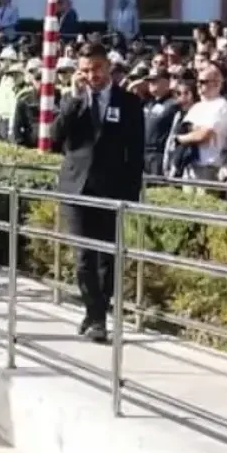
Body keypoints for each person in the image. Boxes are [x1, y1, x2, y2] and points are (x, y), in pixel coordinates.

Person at [51, 43, 145, 344]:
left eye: (98, 69)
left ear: (108, 67)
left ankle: (96, 313)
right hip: (77, 188)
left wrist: (130, 195)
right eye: (87, 70)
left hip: (112, 190)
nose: (93, 75)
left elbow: (137, 153)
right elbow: (55, 138)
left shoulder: (129, 102)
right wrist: (75, 99)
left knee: (108, 259)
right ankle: (96, 316)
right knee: (83, 258)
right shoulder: (73, 100)